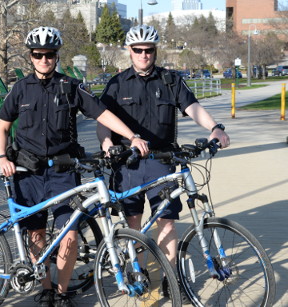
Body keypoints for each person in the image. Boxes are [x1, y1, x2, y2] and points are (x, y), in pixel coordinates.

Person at [0, 26, 148, 307]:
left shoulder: (71, 87)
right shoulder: (19, 89)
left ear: (56, 56)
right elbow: (2, 128)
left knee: (70, 235)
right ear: (30, 57)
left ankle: (63, 292)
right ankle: (46, 288)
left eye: (49, 55)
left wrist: (132, 136)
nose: (44, 60)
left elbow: (103, 113)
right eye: (38, 55)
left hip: (64, 172)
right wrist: (3, 157)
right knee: (36, 233)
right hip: (28, 172)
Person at [96, 24, 230, 302]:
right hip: (128, 165)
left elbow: (192, 107)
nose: (144, 55)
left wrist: (214, 127)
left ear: (155, 51)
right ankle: (139, 273)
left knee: (167, 223)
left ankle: (171, 277)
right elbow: (103, 120)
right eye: (138, 50)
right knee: (134, 224)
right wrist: (106, 144)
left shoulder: (170, 81)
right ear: (129, 51)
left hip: (163, 161)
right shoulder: (117, 83)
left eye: (149, 50)